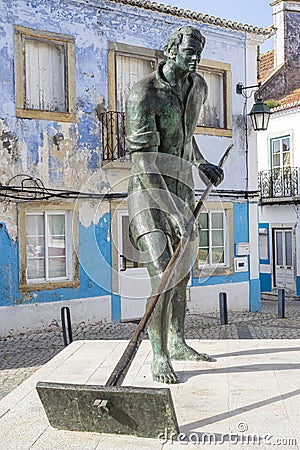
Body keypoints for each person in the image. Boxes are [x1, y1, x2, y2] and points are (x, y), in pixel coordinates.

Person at [125, 26, 223, 384]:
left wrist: (201, 164)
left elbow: (186, 137)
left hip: (182, 189)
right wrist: (176, 213)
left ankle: (179, 342)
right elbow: (144, 163)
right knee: (163, 274)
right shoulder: (143, 95)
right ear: (170, 51)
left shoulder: (198, 87)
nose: (195, 58)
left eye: (199, 52)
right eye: (188, 52)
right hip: (148, 195)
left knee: (182, 275)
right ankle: (159, 355)